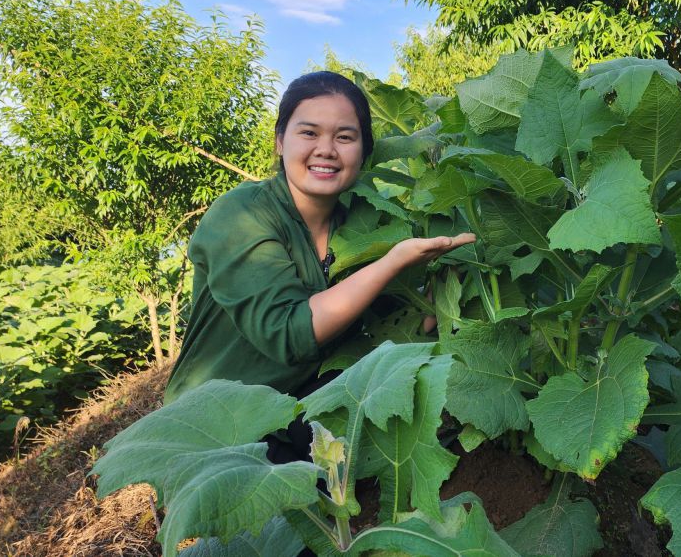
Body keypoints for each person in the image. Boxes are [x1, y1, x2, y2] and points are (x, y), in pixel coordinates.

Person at [162, 71, 474, 458]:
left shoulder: (363, 221)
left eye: (345, 137)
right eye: (309, 133)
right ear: (280, 141)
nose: (326, 149)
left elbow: (390, 327)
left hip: (303, 404)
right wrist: (392, 263)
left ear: (364, 152)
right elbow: (286, 334)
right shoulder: (241, 215)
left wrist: (454, 278)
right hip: (217, 424)